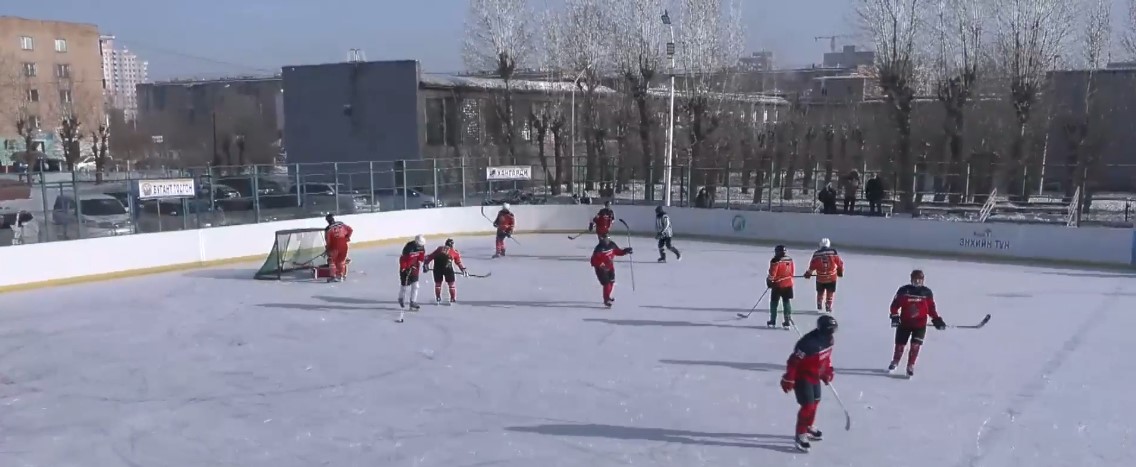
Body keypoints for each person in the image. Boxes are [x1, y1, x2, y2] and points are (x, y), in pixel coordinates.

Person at [780, 315, 838, 453]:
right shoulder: (807, 344)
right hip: (802, 376)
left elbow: (826, 359)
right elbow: (793, 362)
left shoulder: (829, 340)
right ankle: (800, 434)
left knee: (816, 402)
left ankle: (808, 426)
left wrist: (827, 371)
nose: (833, 333)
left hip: (815, 376)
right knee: (808, 405)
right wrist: (789, 378)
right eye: (831, 330)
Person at [888, 269, 946, 377]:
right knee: (900, 345)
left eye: (920, 280)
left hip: (920, 325)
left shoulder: (926, 293)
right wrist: (895, 316)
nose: (917, 282)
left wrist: (937, 320)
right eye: (915, 280)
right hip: (904, 324)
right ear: (911, 279)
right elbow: (894, 306)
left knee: (915, 346)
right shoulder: (904, 291)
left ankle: (910, 365)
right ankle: (895, 362)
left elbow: (931, 309)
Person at [590, 235, 633, 307]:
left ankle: (608, 296)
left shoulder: (612, 245)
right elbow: (593, 261)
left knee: (612, 282)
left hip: (610, 267)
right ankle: (606, 299)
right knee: (606, 284)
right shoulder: (599, 249)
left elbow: (618, 252)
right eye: (603, 239)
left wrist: (625, 251)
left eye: (607, 238)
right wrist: (601, 265)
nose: (606, 240)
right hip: (601, 270)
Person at [804, 238, 844, 313]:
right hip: (831, 277)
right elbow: (839, 263)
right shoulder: (833, 252)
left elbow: (812, 266)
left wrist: (808, 274)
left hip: (820, 278)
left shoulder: (816, 254)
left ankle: (819, 302)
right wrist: (840, 271)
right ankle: (828, 304)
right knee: (830, 292)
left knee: (820, 291)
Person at [424, 238, 467, 304]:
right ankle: (452, 298)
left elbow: (429, 257)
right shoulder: (454, 251)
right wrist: (463, 270)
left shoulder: (439, 249)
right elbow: (458, 262)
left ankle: (438, 297)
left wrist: (426, 265)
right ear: (452, 245)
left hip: (437, 268)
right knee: (451, 284)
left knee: (438, 284)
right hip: (448, 269)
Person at [767, 245, 795, 329]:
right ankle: (787, 321)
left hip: (777, 285)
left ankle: (772, 321)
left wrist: (769, 281)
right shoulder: (790, 259)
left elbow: (773, 273)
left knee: (774, 303)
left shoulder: (775, 260)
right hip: (788, 284)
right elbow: (792, 271)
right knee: (786, 302)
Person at [398, 234, 427, 310]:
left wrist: (422, 263)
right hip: (405, 269)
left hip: (415, 268)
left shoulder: (421, 247)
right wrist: (404, 268)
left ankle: (413, 302)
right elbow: (403, 259)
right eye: (419, 244)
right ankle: (401, 298)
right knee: (405, 287)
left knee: (416, 286)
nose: (420, 246)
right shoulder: (408, 247)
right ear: (416, 242)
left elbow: (421, 257)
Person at [323, 214, 353, 282]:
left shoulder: (328, 229)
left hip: (334, 246)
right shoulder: (341, 224)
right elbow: (350, 230)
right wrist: (347, 237)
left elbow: (328, 241)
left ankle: (333, 276)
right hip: (344, 244)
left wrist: (327, 249)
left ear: (327, 221)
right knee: (342, 261)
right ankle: (341, 276)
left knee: (332, 261)